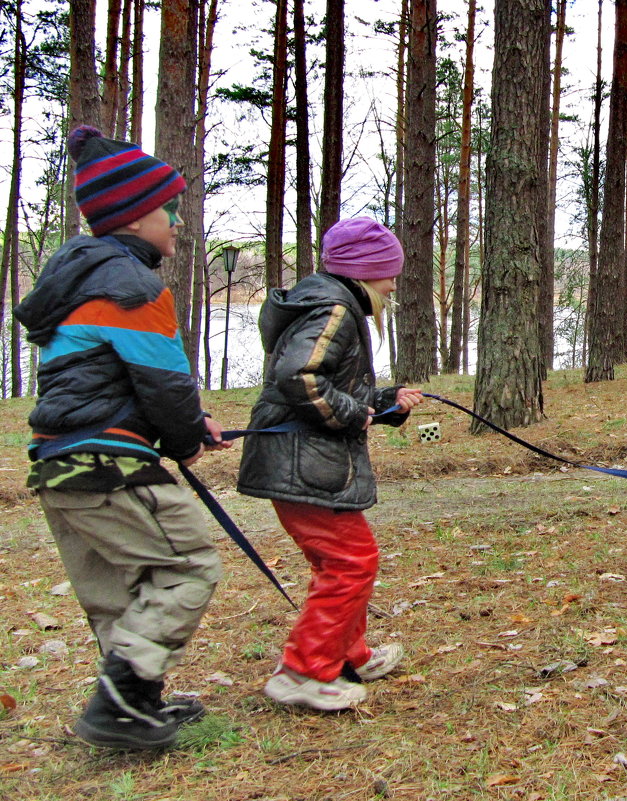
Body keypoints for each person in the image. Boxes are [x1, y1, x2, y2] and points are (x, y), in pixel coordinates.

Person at [14, 126, 231, 750]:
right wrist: (187, 436)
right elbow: (164, 385)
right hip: (107, 464)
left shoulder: (77, 283)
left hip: (58, 463)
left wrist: (188, 420)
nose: (177, 224)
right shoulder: (135, 288)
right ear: (136, 218)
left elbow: (105, 380)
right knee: (189, 564)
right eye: (169, 211)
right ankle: (123, 700)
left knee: (117, 593)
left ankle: (134, 707)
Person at [237, 217, 424, 711]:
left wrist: (386, 402)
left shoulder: (328, 304)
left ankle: (348, 653)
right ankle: (303, 671)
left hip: (306, 460)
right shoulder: (335, 308)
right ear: (363, 272)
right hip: (303, 461)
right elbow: (298, 377)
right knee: (350, 562)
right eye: (388, 274)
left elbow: (335, 389)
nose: (391, 284)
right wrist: (349, 412)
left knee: (343, 560)